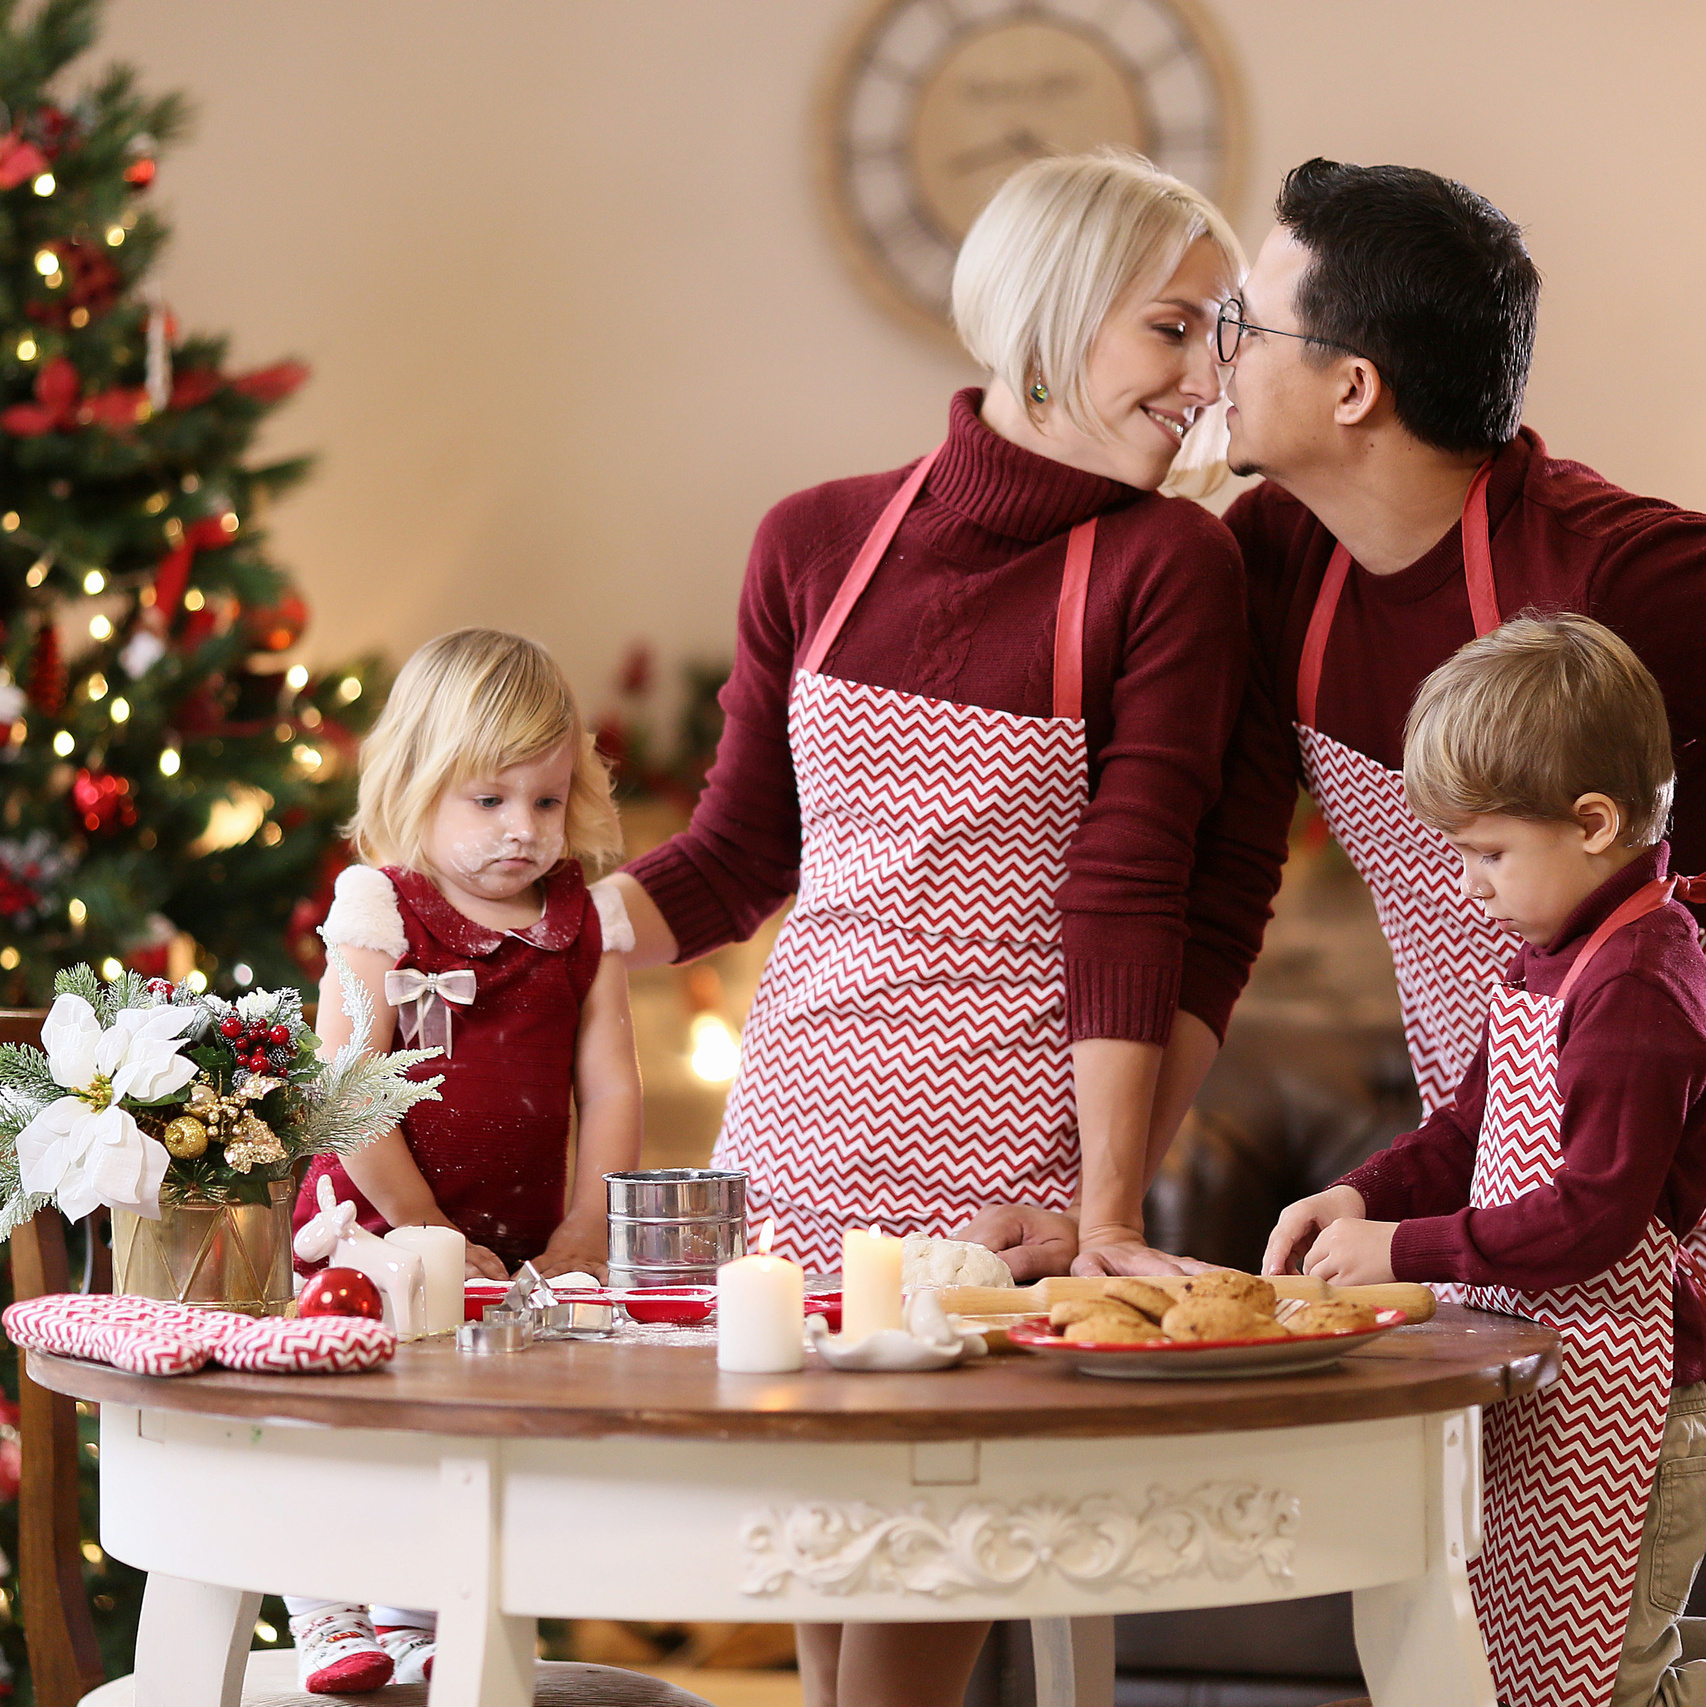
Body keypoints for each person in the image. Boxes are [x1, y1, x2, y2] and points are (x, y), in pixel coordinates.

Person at [597, 149, 1247, 1706]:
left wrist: (1102, 1211)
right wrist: (519, 929)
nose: (1207, 378)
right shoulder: (815, 539)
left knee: (918, 1586)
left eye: (1223, 335)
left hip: (1002, 1148)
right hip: (801, 1120)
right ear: (1055, 313)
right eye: (1175, 329)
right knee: (829, 1571)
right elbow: (734, 854)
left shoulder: (1171, 566)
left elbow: (1130, 889)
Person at [976, 155, 1706, 1283]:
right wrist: (1100, 1212)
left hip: (1660, 1212)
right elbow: (1216, 905)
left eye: (1245, 329)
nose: (1216, 359)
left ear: (1352, 387)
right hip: (1477, 1177)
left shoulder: (1625, 578)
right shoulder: (1273, 561)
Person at [1265, 614, 1706, 1707]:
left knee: (1609, 1679)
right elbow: (1466, 1127)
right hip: (1550, 1378)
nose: (1468, 887)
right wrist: (1356, 1192)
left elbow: (1595, 1217)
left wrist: (1402, 1251)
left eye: (1487, 853)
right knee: (1516, 1672)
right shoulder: (1553, 954)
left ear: (1593, 823)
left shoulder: (1639, 985)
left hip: (1633, 1407)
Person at [285, 627, 641, 1694]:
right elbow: (345, 1094)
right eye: (488, 801)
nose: (520, 832)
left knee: (467, 1432)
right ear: (417, 781)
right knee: (351, 1416)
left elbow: (612, 1084)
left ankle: (415, 1619)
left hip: (518, 1243)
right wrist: (424, 1225)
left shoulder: (584, 919)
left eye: (543, 801)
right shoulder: (383, 911)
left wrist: (589, 1230)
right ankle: (323, 1605)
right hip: (376, 1230)